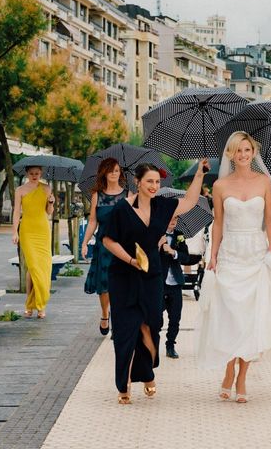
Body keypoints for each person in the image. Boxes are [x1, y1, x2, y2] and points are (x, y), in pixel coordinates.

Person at [196, 131, 271, 404]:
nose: (243, 155)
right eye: (237, 151)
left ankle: (242, 376)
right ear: (230, 155)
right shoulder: (221, 186)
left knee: (251, 318)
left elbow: (270, 218)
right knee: (231, 316)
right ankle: (228, 369)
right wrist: (213, 255)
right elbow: (218, 223)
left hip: (257, 254)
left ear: (253, 152)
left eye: (247, 150)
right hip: (231, 254)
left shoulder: (263, 182)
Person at [102, 161, 209, 405]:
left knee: (152, 324)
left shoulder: (163, 206)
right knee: (126, 330)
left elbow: (190, 202)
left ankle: (147, 372)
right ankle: (124, 383)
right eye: (149, 181)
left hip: (152, 275)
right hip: (124, 274)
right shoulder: (122, 209)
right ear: (137, 182)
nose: (154, 186)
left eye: (157, 182)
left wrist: (199, 175)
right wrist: (130, 260)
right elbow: (108, 240)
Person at [82, 158, 129, 336]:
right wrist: (85, 243)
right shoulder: (97, 195)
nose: (114, 174)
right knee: (104, 284)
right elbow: (93, 221)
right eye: (110, 171)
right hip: (103, 245)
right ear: (104, 173)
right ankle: (104, 314)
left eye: (117, 170)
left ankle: (118, 319)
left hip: (122, 245)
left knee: (121, 284)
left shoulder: (128, 194)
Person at [12, 166, 54, 319]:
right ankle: (30, 305)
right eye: (31, 174)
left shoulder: (47, 188)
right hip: (28, 231)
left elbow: (49, 212)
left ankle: (40, 305)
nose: (34, 176)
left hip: (43, 230)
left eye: (37, 173)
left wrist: (51, 202)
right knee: (33, 266)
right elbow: (17, 211)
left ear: (41, 173)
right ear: (27, 174)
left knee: (43, 267)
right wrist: (14, 231)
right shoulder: (20, 190)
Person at [158, 215, 189, 359]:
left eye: (175, 220)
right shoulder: (155, 234)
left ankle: (170, 345)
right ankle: (152, 346)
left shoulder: (179, 235)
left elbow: (186, 256)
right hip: (159, 282)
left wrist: (173, 252)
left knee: (175, 317)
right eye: (170, 220)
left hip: (175, 282)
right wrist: (159, 245)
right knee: (157, 318)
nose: (173, 223)